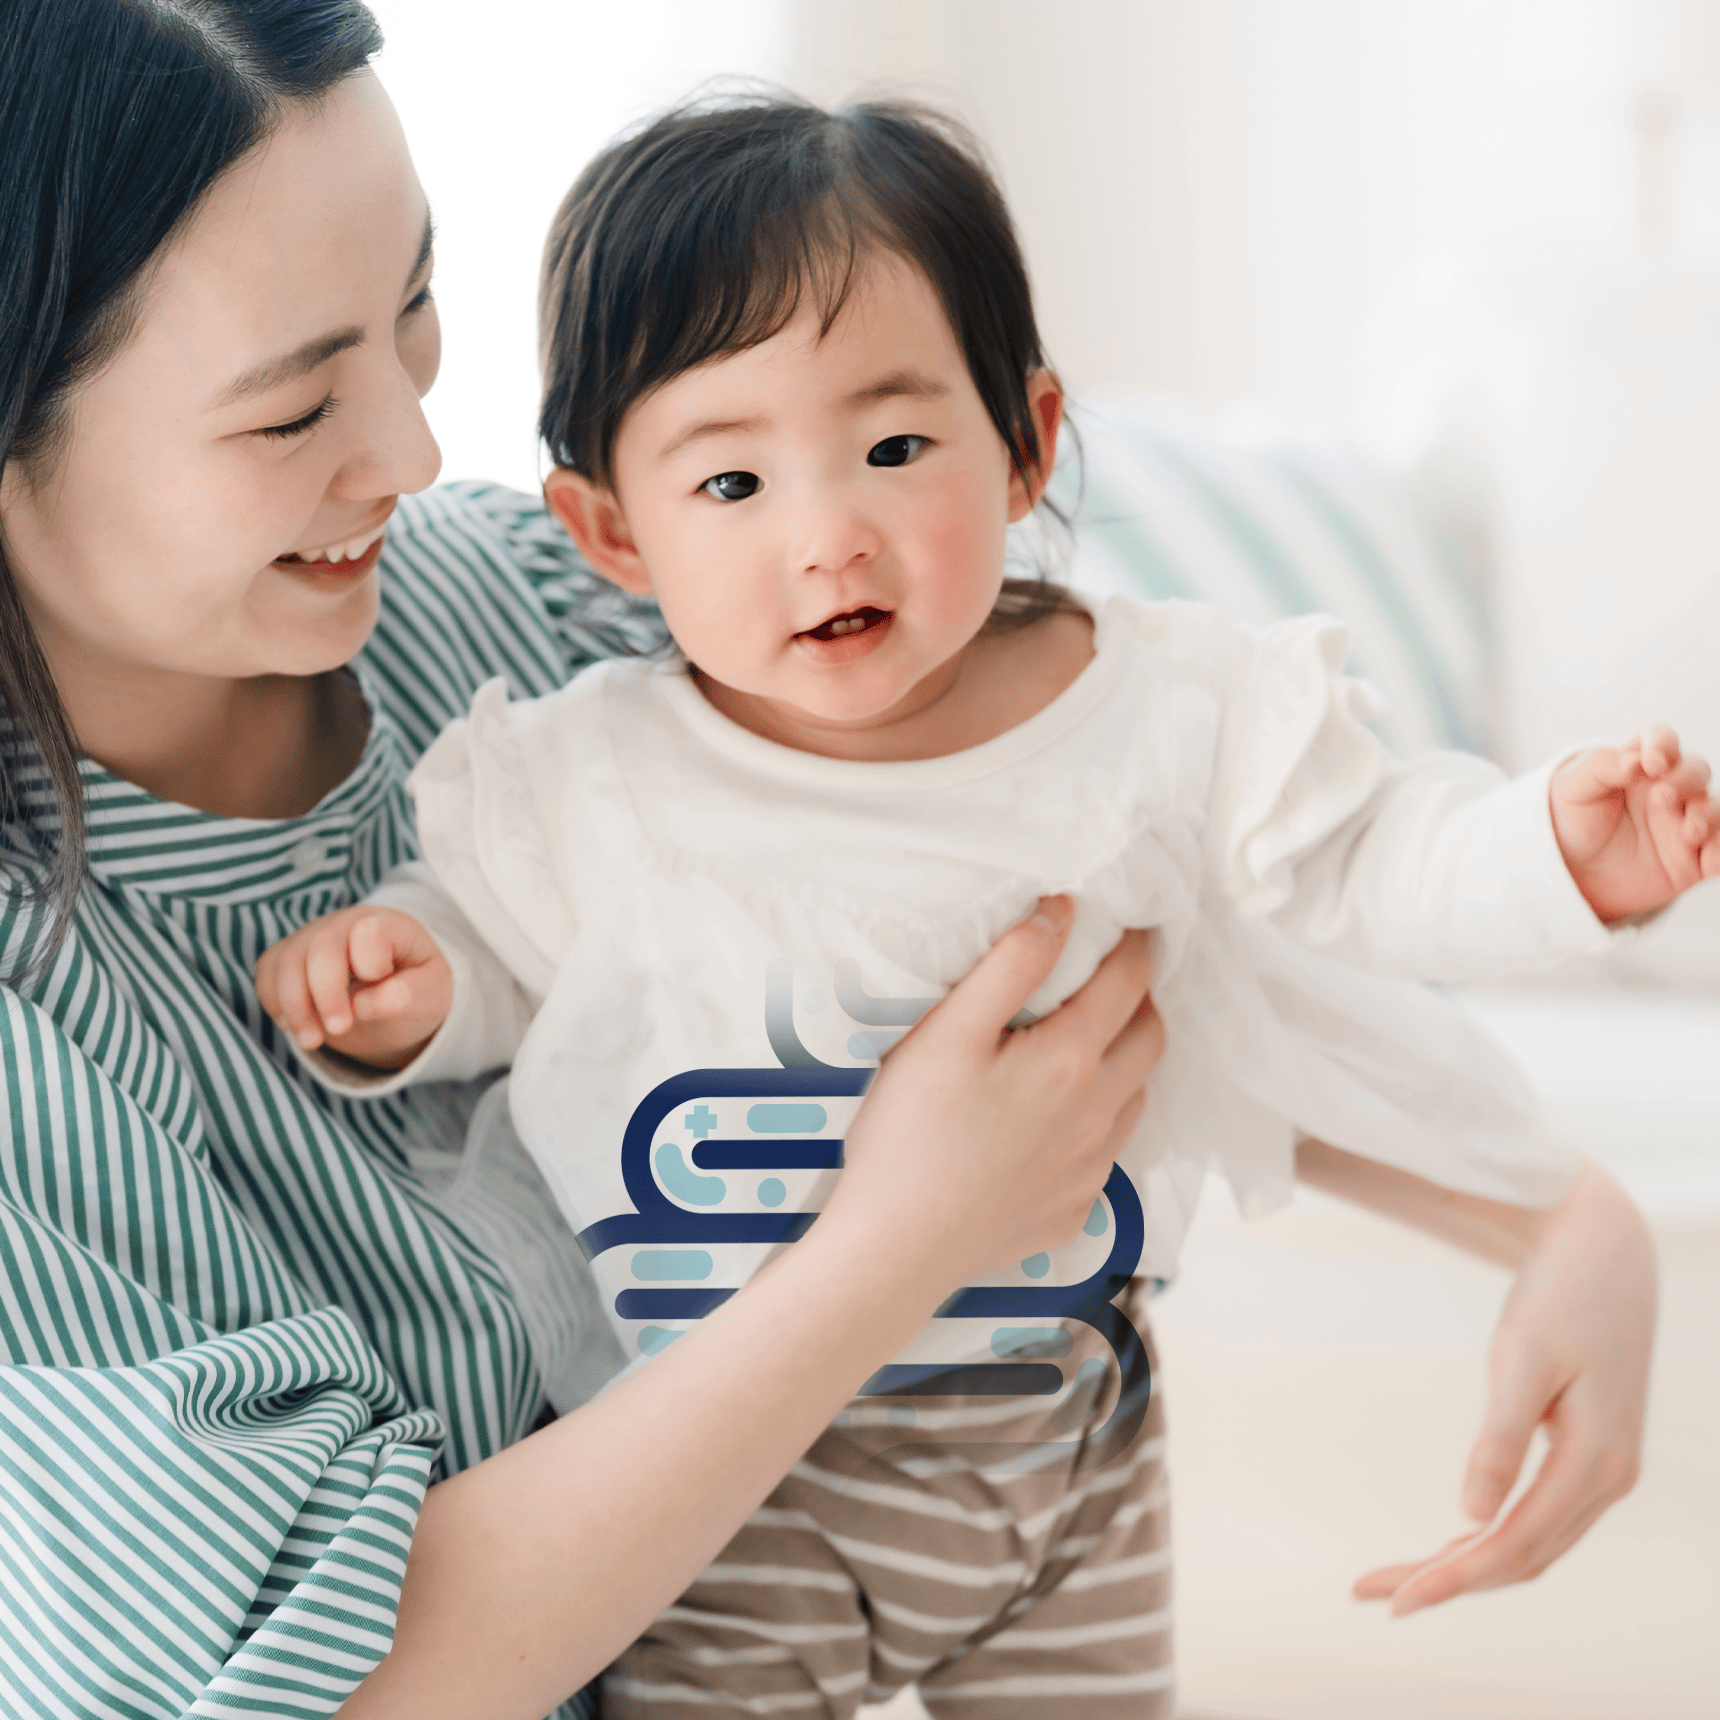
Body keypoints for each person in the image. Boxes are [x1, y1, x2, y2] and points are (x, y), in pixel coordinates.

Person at [255, 96, 1699, 1718]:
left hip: (1070, 1437)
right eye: (730, 483)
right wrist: (414, 981)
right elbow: (508, 961)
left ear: (1024, 445)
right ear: (610, 533)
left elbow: (1365, 866)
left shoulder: (1158, 708)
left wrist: (1556, 862)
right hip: (734, 1482)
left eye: (892, 448)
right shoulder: (592, 777)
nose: (828, 536)